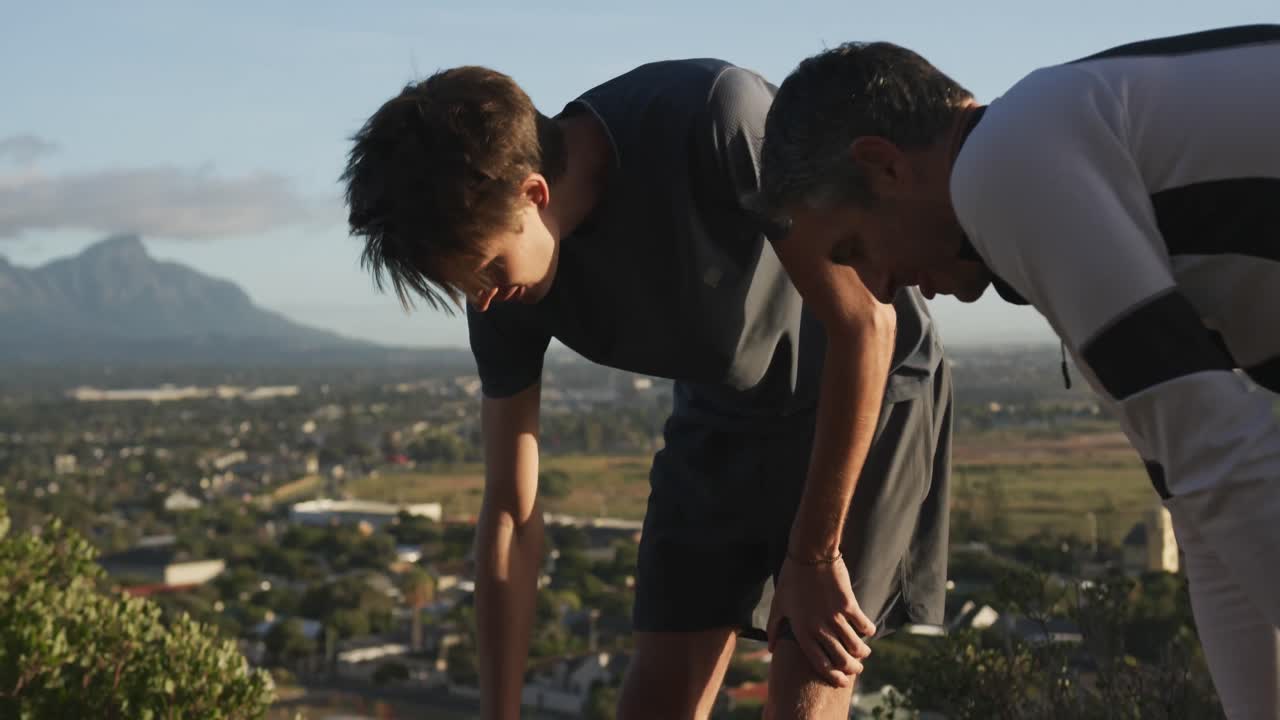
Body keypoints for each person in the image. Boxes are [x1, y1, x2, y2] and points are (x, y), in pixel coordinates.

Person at [342, 59, 953, 719]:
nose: (482, 297)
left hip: (858, 393)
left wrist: (813, 554)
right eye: (463, 282)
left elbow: (865, 326)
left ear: (535, 194)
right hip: (721, 407)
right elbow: (512, 515)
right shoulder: (500, 287)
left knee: (808, 669)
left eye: (486, 267)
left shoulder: (716, 119)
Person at [756, 25, 1280, 719]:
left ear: (884, 167)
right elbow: (1206, 516)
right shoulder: (1051, 156)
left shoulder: (1003, 168)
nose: (880, 287)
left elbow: (1222, 466)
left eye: (855, 249)